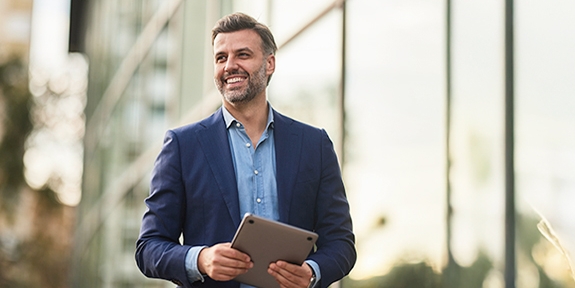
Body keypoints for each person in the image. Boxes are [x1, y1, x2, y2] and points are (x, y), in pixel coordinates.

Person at [135, 12, 356, 288]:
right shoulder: (182, 146)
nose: (230, 66)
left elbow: (341, 243)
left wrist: (312, 272)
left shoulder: (314, 145)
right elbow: (148, 248)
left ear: (269, 63)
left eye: (243, 55)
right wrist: (200, 259)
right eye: (220, 58)